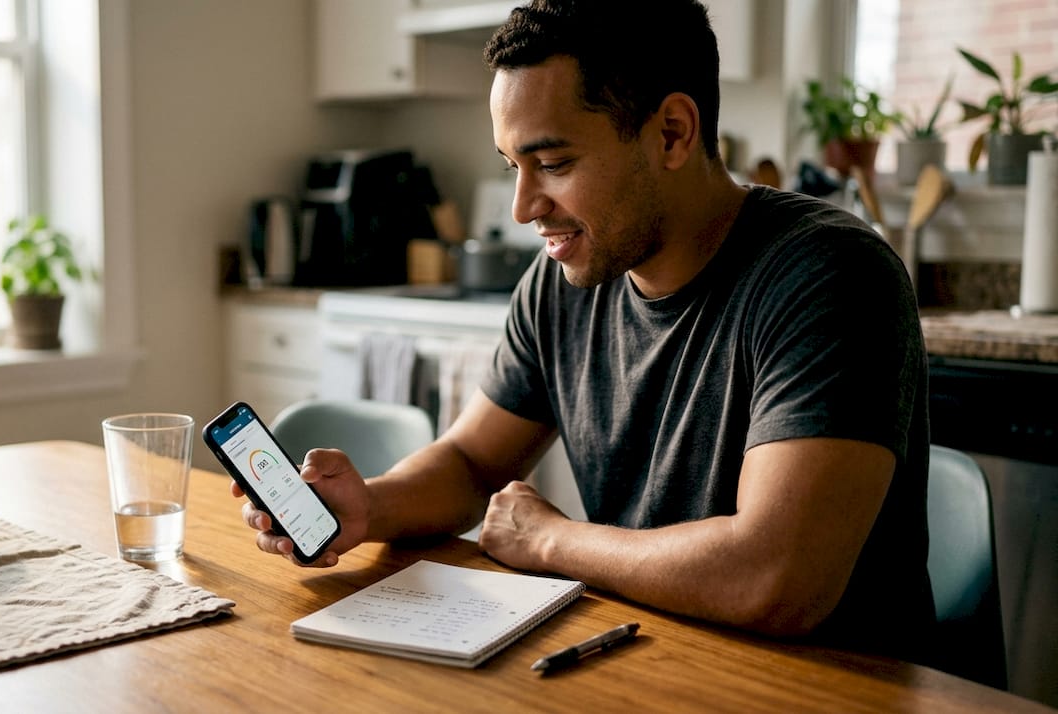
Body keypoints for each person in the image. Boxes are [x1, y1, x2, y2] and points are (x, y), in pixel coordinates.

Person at [236, 0, 934, 664]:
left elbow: (777, 579)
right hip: (647, 653)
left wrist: (551, 541)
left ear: (672, 133)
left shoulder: (831, 275)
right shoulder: (565, 278)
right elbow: (474, 463)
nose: (521, 208)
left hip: (826, 684)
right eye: (513, 167)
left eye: (554, 164)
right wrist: (368, 507)